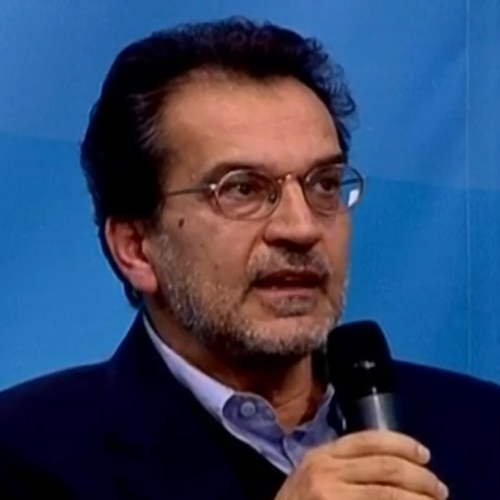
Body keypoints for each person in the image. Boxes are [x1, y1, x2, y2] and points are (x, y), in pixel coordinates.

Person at [0, 17, 499, 500]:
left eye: (324, 184)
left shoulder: (481, 428)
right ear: (136, 247)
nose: (301, 228)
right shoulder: (27, 456)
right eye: (242, 189)